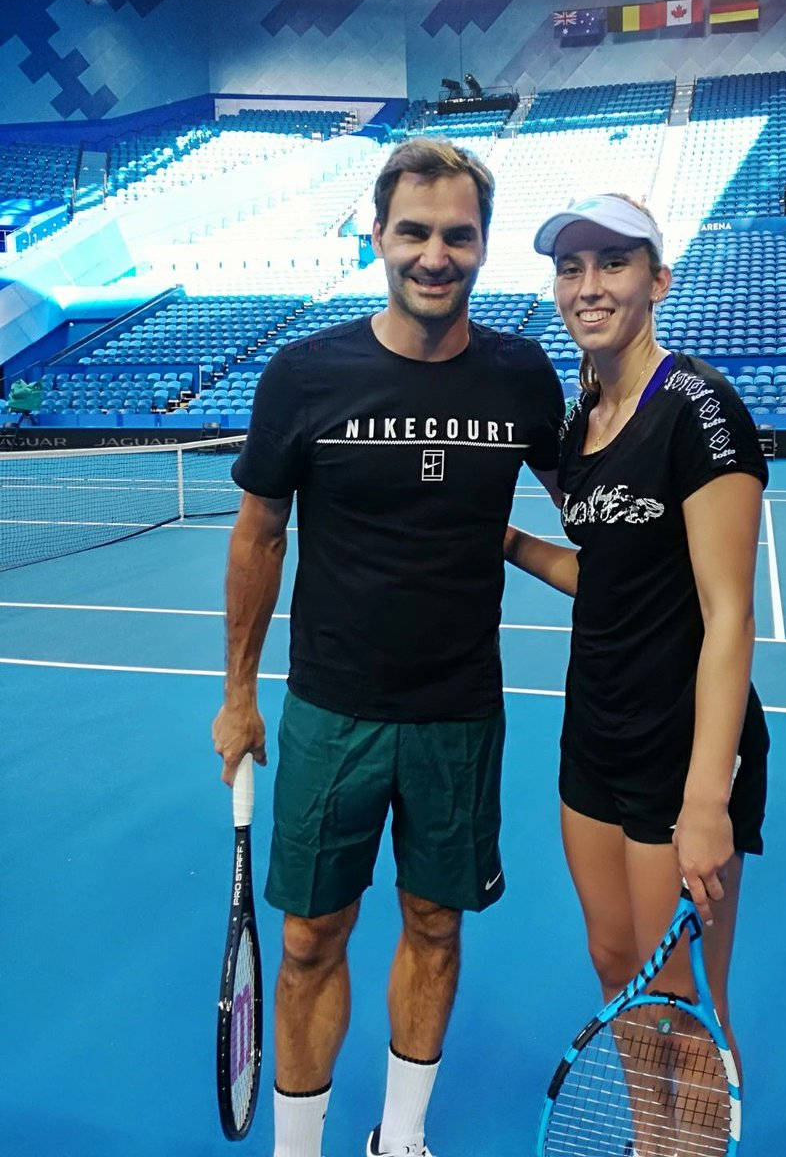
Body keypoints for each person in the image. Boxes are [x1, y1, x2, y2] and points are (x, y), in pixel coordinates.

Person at [212, 138, 565, 1157]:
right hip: (330, 712)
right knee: (310, 939)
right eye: (414, 231)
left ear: (484, 247)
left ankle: (399, 1140)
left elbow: (593, 508)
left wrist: (547, 553)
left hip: (460, 717)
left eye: (458, 235)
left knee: (437, 928)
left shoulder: (521, 376)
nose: (434, 254)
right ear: (378, 236)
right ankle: (299, 1148)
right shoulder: (304, 374)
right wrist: (238, 695)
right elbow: (258, 532)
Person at [504, 194, 769, 1114]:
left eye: (614, 263)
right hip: (595, 734)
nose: (589, 285)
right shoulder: (581, 423)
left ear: (658, 279)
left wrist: (707, 800)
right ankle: (651, 1138)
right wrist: (507, 543)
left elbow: (726, 614)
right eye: (571, 268)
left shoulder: (699, 407)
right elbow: (609, 575)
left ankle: (687, 1143)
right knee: (617, 965)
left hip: (681, 744)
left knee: (682, 1001)